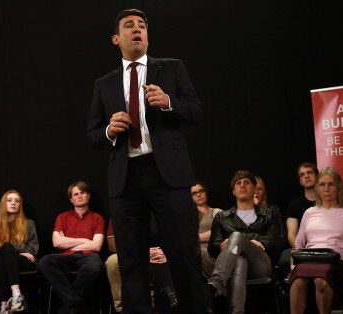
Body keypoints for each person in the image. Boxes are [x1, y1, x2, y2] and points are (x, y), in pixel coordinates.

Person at [86, 8, 204, 313]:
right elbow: (92, 134)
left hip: (169, 175)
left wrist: (168, 103)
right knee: (132, 262)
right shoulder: (105, 84)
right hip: (126, 179)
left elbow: (195, 112)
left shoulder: (172, 68)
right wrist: (110, 129)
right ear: (116, 38)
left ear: (147, 36)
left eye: (142, 26)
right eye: (129, 25)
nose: (137, 29)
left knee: (183, 255)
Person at [205, 170, 284, 314]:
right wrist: (222, 245)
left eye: (246, 182)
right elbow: (213, 247)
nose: (242, 185)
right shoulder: (222, 217)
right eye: (238, 183)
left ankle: (215, 284)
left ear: (254, 188)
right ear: (233, 191)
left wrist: (243, 241)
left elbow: (278, 240)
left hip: (261, 264)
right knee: (240, 261)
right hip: (233, 265)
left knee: (236, 236)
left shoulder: (269, 214)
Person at [289, 167, 343, 314]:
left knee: (320, 280)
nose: (326, 189)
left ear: (338, 187)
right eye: (322, 185)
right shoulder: (310, 212)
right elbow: (298, 245)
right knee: (297, 283)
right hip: (310, 258)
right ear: (317, 188)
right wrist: (293, 269)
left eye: (331, 184)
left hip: (337, 259)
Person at [37, 181, 105, 314]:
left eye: (82, 193)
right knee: (44, 262)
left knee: (94, 266)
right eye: (76, 194)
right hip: (65, 257)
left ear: (88, 196)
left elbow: (96, 246)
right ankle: (75, 304)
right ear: (71, 199)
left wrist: (67, 241)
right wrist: (85, 240)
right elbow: (57, 243)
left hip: (88, 256)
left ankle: (67, 307)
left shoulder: (98, 219)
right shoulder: (62, 217)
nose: (79, 196)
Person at [106, 218, 178, 313]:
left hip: (160, 251)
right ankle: (123, 308)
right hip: (131, 253)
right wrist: (143, 253)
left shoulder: (160, 210)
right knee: (112, 261)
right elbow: (112, 244)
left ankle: (164, 304)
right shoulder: (122, 211)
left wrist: (164, 251)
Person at [0, 190, 39, 314]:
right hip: (3, 262)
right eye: (9, 200)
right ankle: (11, 301)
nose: (13, 203)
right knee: (0, 258)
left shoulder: (29, 224)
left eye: (17, 201)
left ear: (20, 205)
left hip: (24, 262)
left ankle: (8, 303)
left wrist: (11, 251)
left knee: (4, 253)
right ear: (3, 204)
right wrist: (17, 250)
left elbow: (33, 250)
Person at [278, 162, 319, 276]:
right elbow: (291, 235)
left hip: (324, 244)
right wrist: (302, 250)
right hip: (302, 247)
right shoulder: (294, 205)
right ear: (300, 181)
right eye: (302, 175)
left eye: (309, 172)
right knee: (285, 260)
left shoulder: (327, 202)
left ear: (318, 176)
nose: (306, 176)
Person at [191, 182, 222, 277]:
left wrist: (194, 239)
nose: (199, 195)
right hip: (193, 250)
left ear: (206, 193)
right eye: (194, 193)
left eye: (201, 191)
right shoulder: (188, 216)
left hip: (212, 250)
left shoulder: (217, 212)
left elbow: (218, 232)